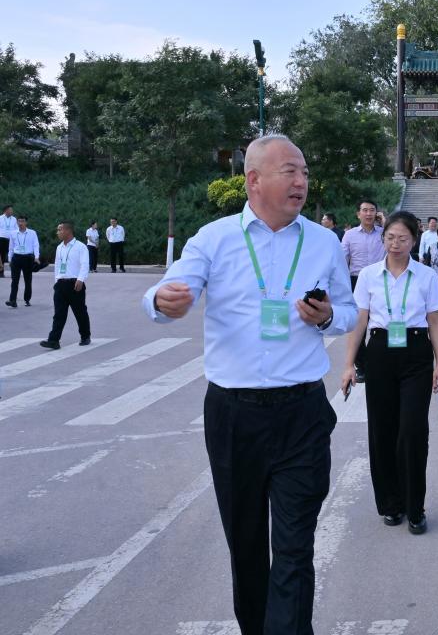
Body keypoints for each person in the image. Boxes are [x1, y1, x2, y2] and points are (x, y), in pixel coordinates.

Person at [141, 134, 357, 635]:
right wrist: (161, 301)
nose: (301, 181)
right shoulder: (214, 238)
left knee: (295, 546)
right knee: (246, 543)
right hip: (234, 415)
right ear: (254, 180)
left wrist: (328, 317)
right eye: (289, 171)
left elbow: (348, 312)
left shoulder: (324, 242)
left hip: (303, 413)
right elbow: (169, 290)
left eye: (304, 172)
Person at [341, 211, 438, 534]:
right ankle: (390, 504)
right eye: (390, 237)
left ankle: (415, 507)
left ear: (414, 241)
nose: (395, 244)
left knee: (413, 430)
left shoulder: (426, 276)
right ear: (382, 238)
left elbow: (435, 321)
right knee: (382, 429)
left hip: (416, 354)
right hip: (380, 353)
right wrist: (348, 364)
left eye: (402, 238)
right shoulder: (369, 275)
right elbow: (360, 320)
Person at [342, 200, 386, 382]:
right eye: (365, 210)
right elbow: (342, 259)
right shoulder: (349, 235)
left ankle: (382, 362)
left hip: (380, 281)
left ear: (377, 213)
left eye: (372, 210)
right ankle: (363, 365)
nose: (368, 214)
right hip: (356, 281)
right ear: (358, 214)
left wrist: (385, 222)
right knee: (357, 325)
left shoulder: (384, 234)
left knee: (381, 324)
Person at [40, 221, 92, 349]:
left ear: (68, 231)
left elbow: (85, 264)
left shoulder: (80, 247)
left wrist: (81, 279)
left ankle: (85, 336)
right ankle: (54, 340)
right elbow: (57, 266)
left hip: (75, 284)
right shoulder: (59, 247)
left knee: (80, 312)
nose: (57, 232)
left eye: (60, 230)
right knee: (59, 314)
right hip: (61, 285)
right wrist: (56, 282)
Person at [6, 216, 40, 308]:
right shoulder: (13, 233)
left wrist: (37, 257)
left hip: (28, 258)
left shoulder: (32, 233)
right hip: (16, 258)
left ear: (26, 223)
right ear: (17, 222)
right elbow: (11, 247)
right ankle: (12, 300)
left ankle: (27, 299)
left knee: (28, 280)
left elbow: (36, 245)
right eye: (19, 221)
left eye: (23, 221)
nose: (20, 223)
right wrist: (10, 259)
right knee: (14, 281)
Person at [0, 204, 16, 277]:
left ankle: (14, 272)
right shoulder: (0, 218)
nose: (12, 211)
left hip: (11, 240)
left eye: (12, 210)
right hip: (1, 238)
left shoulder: (14, 219)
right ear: (6, 210)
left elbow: (16, 229)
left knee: (12, 255)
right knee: (2, 256)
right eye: (10, 210)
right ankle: (1, 272)